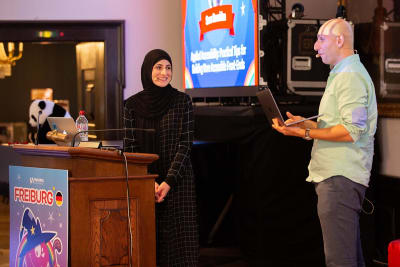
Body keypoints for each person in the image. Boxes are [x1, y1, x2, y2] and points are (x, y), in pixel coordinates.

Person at [272, 18, 377, 267]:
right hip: (337, 177)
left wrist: (305, 135)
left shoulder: (349, 76)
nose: (316, 47)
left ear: (340, 40)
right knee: (350, 260)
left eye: (321, 39)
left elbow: (351, 132)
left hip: (339, 177)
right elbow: (339, 126)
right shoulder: (342, 74)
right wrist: (305, 125)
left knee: (340, 261)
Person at [123, 49, 199, 266]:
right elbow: (130, 146)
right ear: (148, 70)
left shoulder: (182, 102)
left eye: (168, 68)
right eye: (158, 67)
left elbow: (185, 145)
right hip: (144, 185)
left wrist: (167, 183)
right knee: (147, 244)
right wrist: (149, 181)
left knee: (179, 249)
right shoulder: (131, 105)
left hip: (178, 183)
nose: (164, 73)